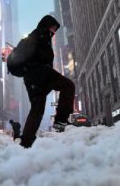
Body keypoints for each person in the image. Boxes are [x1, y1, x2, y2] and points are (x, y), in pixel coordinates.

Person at [19, 15, 75, 148]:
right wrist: (45, 70)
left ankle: (25, 143)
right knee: (68, 86)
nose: (54, 31)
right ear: (47, 25)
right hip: (40, 73)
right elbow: (42, 58)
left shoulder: (34, 36)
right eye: (53, 27)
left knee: (37, 110)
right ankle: (60, 120)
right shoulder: (42, 34)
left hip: (30, 79)